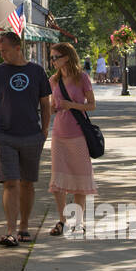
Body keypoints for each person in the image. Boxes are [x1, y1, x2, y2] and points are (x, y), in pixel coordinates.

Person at [0, 30, 52, 247]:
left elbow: (45, 103)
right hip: (5, 135)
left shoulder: (37, 71)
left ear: (18, 48)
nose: (2, 54)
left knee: (27, 183)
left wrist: (44, 131)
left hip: (32, 134)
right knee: (10, 183)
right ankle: (11, 230)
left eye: (5, 51)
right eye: (0, 51)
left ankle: (24, 226)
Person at [46, 44, 97, 237]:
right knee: (58, 179)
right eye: (52, 58)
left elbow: (92, 105)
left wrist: (72, 105)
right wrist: (52, 108)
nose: (53, 61)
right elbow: (52, 106)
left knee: (79, 178)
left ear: (67, 57)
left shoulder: (81, 78)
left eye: (56, 57)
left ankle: (79, 221)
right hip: (59, 134)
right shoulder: (53, 80)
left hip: (78, 134)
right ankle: (62, 220)